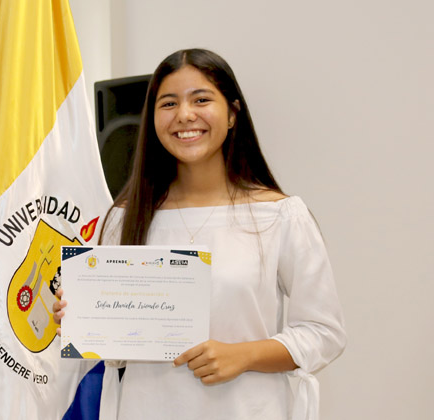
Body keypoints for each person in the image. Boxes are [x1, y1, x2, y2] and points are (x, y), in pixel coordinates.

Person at [53, 49, 346, 419]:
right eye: (169, 103)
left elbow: (324, 332)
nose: (185, 115)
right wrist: (86, 318)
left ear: (232, 114)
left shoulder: (280, 215)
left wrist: (245, 355)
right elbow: (116, 353)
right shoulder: (125, 218)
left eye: (201, 99)